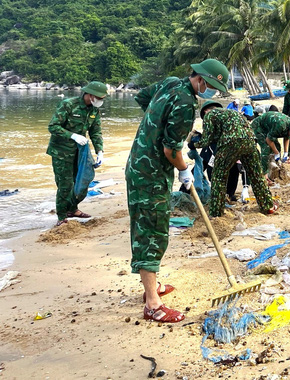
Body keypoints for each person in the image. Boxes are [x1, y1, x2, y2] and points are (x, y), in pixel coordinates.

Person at [126, 58, 229, 323]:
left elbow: (142, 98)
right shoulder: (186, 104)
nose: (213, 94)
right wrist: (184, 169)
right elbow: (170, 150)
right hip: (150, 174)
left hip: (139, 163)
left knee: (147, 226)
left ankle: (153, 285)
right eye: (214, 88)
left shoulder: (171, 83)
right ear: (202, 80)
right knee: (153, 231)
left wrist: (154, 125)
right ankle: (152, 303)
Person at [194, 101, 276, 216]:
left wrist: (194, 144)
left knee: (219, 177)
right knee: (256, 175)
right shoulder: (233, 112)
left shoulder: (209, 115)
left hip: (230, 143)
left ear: (205, 111)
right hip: (250, 141)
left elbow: (207, 140)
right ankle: (267, 206)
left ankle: (216, 213)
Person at [47, 81, 107, 226]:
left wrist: (100, 151)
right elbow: (53, 126)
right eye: (100, 98)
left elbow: (95, 132)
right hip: (61, 152)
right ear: (90, 95)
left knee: (79, 183)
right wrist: (72, 135)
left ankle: (73, 209)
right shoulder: (68, 105)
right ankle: (61, 217)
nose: (101, 101)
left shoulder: (93, 110)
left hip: (79, 154)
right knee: (65, 185)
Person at [250, 111, 290, 179]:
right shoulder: (281, 125)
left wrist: (286, 152)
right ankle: (264, 174)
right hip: (259, 126)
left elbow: (287, 137)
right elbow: (268, 140)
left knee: (277, 146)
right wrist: (276, 153)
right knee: (266, 148)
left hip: (269, 128)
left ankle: (275, 170)